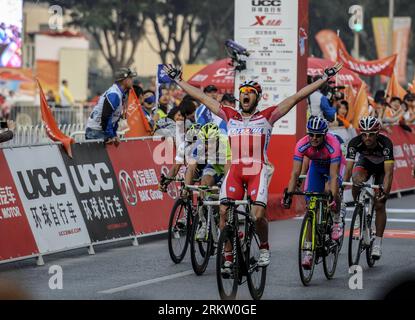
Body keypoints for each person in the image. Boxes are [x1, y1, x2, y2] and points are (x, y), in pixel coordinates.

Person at [163, 62, 343, 271]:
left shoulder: (267, 116)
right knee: (223, 213)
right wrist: (178, 80)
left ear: (257, 97)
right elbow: (202, 97)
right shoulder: (230, 115)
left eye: (250, 92)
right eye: (243, 92)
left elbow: (296, 98)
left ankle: (264, 247)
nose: (245, 95)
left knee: (257, 216)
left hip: (257, 171)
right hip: (236, 171)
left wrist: (323, 79)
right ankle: (229, 254)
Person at [282, 116, 343, 269]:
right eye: (311, 134)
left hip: (332, 168)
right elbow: (295, 173)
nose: (314, 138)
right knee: (311, 207)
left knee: (330, 190)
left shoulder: (333, 145)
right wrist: (289, 194)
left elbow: (334, 176)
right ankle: (308, 252)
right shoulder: (301, 144)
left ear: (324, 135)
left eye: (318, 135)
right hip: (316, 167)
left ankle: (336, 220)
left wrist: (333, 196)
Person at [343, 116, 394, 260]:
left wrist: (385, 191)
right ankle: (359, 209)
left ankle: (377, 243)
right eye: (364, 133)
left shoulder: (386, 143)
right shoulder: (355, 143)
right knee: (356, 179)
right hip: (365, 164)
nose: (367, 137)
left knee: (379, 204)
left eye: (371, 134)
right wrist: (342, 186)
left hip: (382, 169)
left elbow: (389, 173)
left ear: (377, 133)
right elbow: (348, 170)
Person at [85, 67, 137, 145]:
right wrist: (110, 135)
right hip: (96, 131)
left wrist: (114, 134)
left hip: (98, 130)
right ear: (124, 80)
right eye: (130, 78)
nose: (132, 81)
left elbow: (113, 118)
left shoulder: (118, 93)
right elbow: (106, 116)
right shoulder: (114, 94)